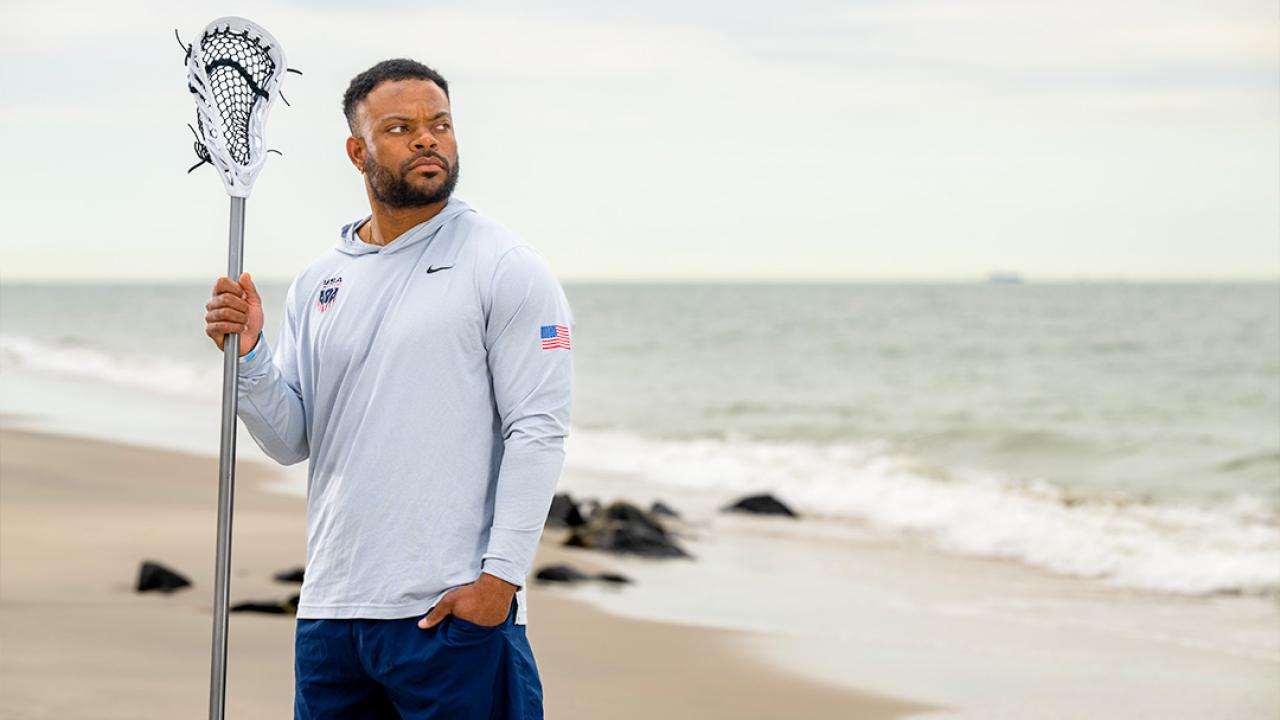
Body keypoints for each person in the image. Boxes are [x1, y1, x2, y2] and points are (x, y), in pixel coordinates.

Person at [202, 58, 573, 719]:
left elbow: (537, 431)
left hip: (451, 614)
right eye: (400, 127)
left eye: (440, 124)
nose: (426, 139)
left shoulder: (506, 266)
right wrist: (251, 354)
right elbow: (293, 439)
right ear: (357, 150)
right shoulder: (320, 280)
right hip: (332, 616)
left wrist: (499, 584)